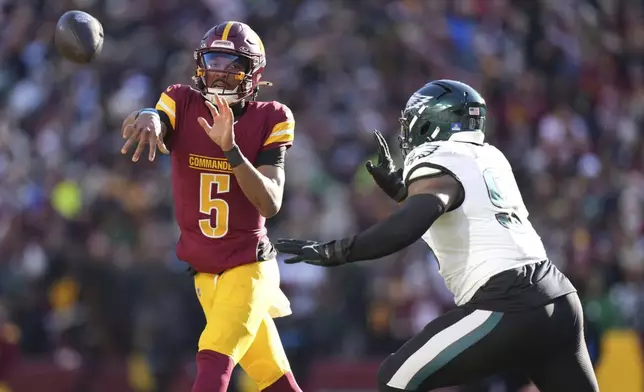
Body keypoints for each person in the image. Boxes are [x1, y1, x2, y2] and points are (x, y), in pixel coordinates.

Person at [275, 80, 599, 392]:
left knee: (395, 378)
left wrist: (339, 251)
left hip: (509, 300)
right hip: (558, 297)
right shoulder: (490, 157)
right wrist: (404, 193)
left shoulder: (439, 157)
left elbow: (409, 225)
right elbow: (460, 209)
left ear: (430, 124)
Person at [120, 21, 302, 392]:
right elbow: (160, 116)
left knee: (212, 362)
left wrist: (230, 150)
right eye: (214, 60)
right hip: (205, 275)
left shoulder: (272, 116)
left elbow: (270, 203)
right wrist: (149, 116)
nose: (220, 71)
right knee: (273, 380)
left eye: (232, 63)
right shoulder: (182, 101)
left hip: (248, 267)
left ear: (253, 72)